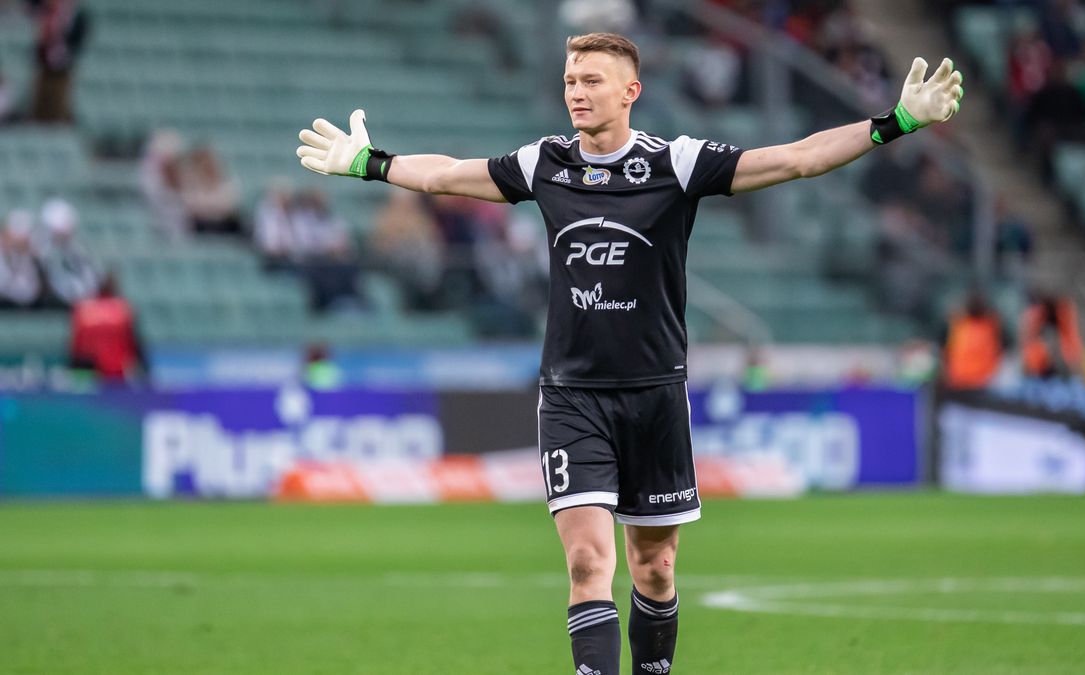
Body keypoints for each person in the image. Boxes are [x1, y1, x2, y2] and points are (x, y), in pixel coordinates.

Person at [295, 33, 962, 674]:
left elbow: (795, 158)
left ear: (630, 91)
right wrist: (370, 162)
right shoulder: (546, 163)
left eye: (591, 81)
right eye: (569, 82)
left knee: (656, 567)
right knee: (588, 561)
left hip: (655, 395)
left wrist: (896, 121)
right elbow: (444, 176)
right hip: (572, 395)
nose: (576, 94)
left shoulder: (677, 163)